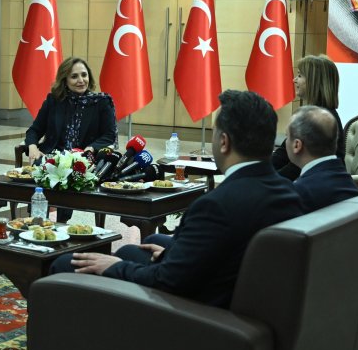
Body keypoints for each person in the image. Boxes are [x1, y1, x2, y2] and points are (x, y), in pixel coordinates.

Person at [52, 90, 303, 308]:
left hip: (191, 316)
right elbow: (230, 250)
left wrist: (112, 265)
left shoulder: (215, 205)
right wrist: (174, 253)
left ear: (224, 142)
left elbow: (167, 282)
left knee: (64, 265)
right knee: (131, 250)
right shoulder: (289, 193)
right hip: (232, 293)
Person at [24, 57, 117, 162]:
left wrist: (92, 148)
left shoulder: (101, 102)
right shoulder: (53, 101)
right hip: (53, 158)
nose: (81, 80)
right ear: (64, 80)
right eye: (74, 77)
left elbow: (109, 135)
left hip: (85, 160)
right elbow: (34, 130)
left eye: (84, 75)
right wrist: (33, 148)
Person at [271, 54, 345, 180]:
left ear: (314, 81)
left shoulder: (321, 121)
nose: (294, 80)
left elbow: (298, 167)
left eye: (299, 76)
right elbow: (282, 155)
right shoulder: (310, 116)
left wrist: (269, 181)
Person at [285, 105, 358, 212]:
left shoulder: (299, 193)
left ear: (297, 145)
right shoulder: (348, 183)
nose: (286, 142)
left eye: (287, 136)